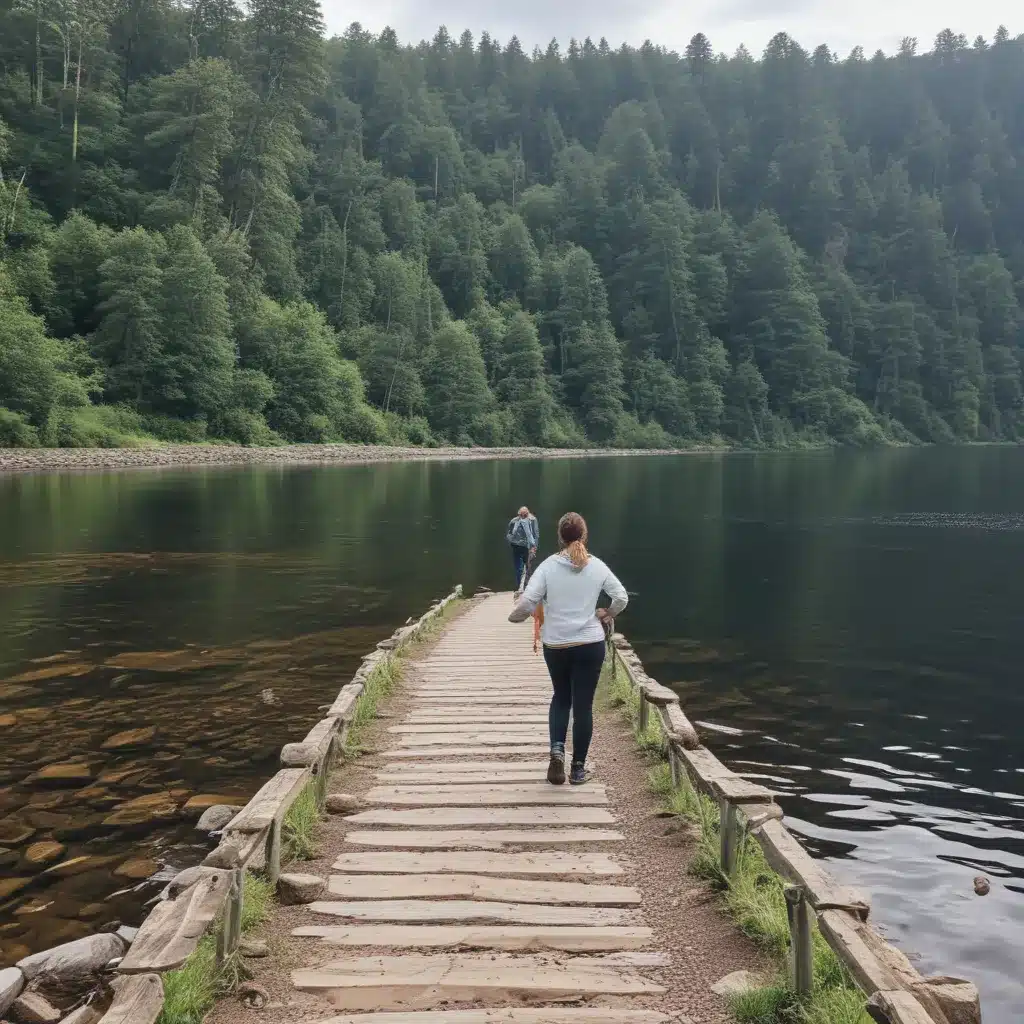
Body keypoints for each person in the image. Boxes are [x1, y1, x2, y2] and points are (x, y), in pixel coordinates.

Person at [509, 512, 628, 786]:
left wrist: (514, 618)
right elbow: (621, 597)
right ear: (584, 535)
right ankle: (577, 769)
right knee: (583, 706)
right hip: (590, 644)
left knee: (561, 698)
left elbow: (528, 603)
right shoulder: (597, 566)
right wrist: (607, 613)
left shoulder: (549, 567)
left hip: (557, 644)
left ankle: (556, 752)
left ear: (560, 537)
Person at [506, 506, 539, 594]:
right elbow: (509, 532)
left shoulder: (532, 520)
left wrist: (534, 547)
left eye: (524, 515)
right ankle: (518, 587)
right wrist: (511, 540)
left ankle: (527, 586)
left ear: (528, 514)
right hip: (516, 545)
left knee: (528, 567)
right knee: (519, 568)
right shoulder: (514, 521)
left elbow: (535, 534)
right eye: (521, 515)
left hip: (528, 546)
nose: (522, 517)